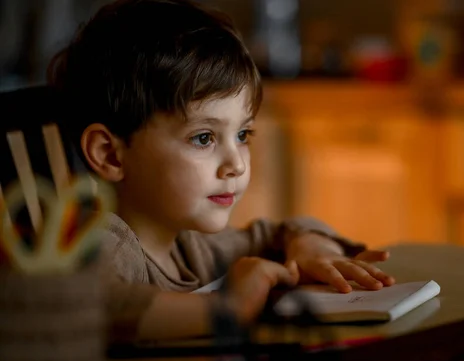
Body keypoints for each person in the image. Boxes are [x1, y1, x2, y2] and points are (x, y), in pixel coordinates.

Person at [47, 0, 395, 342]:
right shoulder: (103, 242)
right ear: (111, 155)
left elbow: (281, 231)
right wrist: (226, 309)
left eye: (242, 135)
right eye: (203, 138)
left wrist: (311, 247)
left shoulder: (194, 244)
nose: (237, 164)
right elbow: (89, 306)